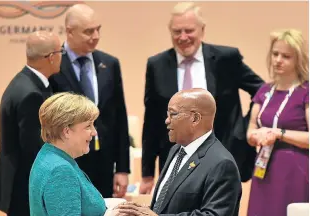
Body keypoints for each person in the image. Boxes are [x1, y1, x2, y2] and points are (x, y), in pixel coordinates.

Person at [140, 1, 264, 194]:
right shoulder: (157, 65)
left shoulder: (226, 58)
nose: (183, 37)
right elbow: (152, 122)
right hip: (175, 155)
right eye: (176, 31)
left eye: (189, 30)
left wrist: (246, 125)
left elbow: (262, 91)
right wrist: (147, 173)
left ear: (202, 30)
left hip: (222, 152)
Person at [49, 4, 130, 198]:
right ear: (70, 32)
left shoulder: (109, 64)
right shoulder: (53, 63)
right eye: (88, 31)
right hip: (68, 162)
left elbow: (120, 116)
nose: (96, 36)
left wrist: (122, 168)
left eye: (98, 29)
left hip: (104, 163)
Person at [119, 89, 242, 216]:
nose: (167, 120)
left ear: (195, 118)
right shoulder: (175, 150)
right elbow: (166, 206)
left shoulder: (222, 164)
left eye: (173, 114)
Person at [0, 31, 62, 216]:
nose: (62, 58)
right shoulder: (31, 94)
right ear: (51, 57)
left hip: (18, 181)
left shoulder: (24, 82)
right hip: (25, 186)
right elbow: (35, 148)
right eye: (60, 52)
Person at [246, 29, 309, 216]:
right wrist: (254, 136)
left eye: (286, 56)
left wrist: (279, 134)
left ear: (298, 59)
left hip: (295, 169)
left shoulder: (305, 91)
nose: (278, 60)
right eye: (275, 54)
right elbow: (251, 127)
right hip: (264, 168)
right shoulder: (264, 91)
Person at [30, 92, 109, 215]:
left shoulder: (49, 154)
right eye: (88, 126)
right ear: (66, 131)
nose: (94, 132)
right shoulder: (60, 170)